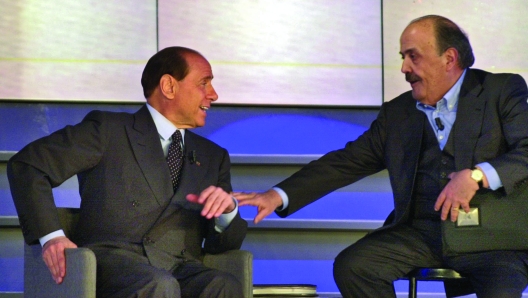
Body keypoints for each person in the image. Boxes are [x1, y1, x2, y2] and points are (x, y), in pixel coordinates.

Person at [236, 15, 528, 298]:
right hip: (422, 234)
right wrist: (278, 195)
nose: (404, 68)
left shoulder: (500, 91)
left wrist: (477, 175)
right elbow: (346, 161)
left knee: (501, 291)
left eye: (413, 56)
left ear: (449, 58)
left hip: (494, 239)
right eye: (403, 57)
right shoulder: (398, 113)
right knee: (355, 266)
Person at [8, 46, 248, 297]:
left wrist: (228, 212)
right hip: (114, 264)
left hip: (181, 267)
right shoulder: (109, 130)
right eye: (204, 83)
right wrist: (52, 237)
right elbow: (28, 165)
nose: (214, 94)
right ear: (169, 86)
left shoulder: (213, 156)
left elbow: (221, 246)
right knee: (159, 284)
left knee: (225, 285)